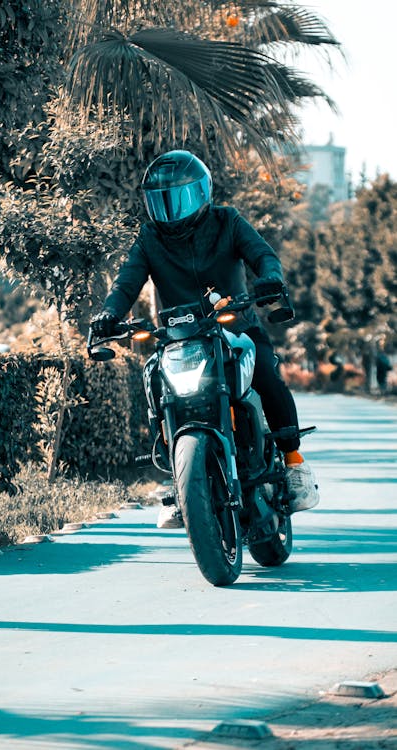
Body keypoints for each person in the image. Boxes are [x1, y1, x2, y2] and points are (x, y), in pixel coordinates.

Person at [91, 150, 319, 527]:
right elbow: (126, 282)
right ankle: (180, 483)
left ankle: (294, 464)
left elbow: (262, 255)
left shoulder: (227, 221)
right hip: (180, 338)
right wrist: (109, 314)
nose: (170, 209)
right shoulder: (150, 238)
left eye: (179, 197)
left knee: (265, 373)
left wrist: (270, 278)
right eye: (161, 201)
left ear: (201, 193)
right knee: (156, 384)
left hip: (237, 327)